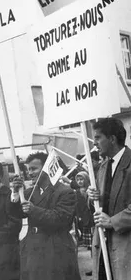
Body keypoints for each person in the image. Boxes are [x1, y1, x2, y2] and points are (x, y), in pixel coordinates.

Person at [11, 152, 80, 280]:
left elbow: (60, 218)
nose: (30, 173)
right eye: (28, 169)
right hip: (33, 248)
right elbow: (16, 214)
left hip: (56, 248)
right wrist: (15, 193)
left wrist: (33, 210)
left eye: (34, 168)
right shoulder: (28, 192)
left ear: (46, 168)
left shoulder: (65, 192)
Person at [87, 118, 131, 280]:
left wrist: (112, 221)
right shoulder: (103, 167)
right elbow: (98, 208)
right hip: (103, 248)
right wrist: (93, 198)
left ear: (112, 139)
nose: (94, 144)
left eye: (98, 138)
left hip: (125, 250)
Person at [73, 171, 94, 249]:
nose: (79, 181)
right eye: (77, 180)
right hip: (84, 217)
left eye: (81, 179)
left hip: (92, 216)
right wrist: (78, 216)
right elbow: (77, 206)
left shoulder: (91, 189)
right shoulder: (76, 192)